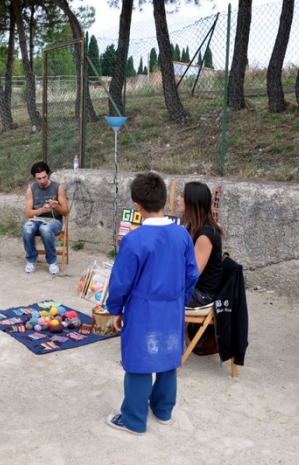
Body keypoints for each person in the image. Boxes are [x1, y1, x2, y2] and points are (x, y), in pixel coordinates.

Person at [105, 172, 199, 435]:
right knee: (169, 358)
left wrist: (115, 309)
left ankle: (134, 419)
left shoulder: (133, 240)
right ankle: (163, 411)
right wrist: (179, 299)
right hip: (172, 306)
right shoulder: (182, 234)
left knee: (138, 362)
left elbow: (121, 281)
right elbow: (192, 274)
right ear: (163, 200)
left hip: (143, 309)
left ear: (138, 206)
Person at [177, 181, 225, 354]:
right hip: (196, 289)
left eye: (182, 195)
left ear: (192, 201)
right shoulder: (194, 227)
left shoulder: (206, 234)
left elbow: (192, 274)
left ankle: (162, 343)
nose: (177, 199)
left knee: (155, 294)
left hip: (202, 295)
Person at [21, 161, 68, 275]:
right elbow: (28, 214)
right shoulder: (31, 189)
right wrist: (42, 210)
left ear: (48, 174)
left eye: (44, 177)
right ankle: (31, 259)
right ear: (34, 178)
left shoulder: (58, 187)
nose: (42, 181)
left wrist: (56, 206)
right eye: (39, 179)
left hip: (54, 221)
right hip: (37, 220)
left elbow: (66, 211)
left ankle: (52, 261)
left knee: (45, 229)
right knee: (27, 228)